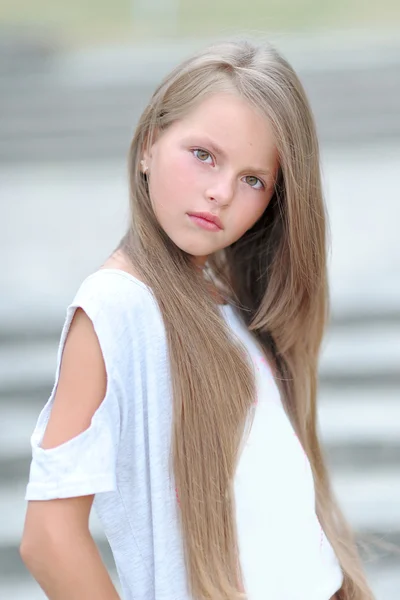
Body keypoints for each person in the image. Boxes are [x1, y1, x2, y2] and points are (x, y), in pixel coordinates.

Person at [20, 39, 374, 600]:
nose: (220, 193)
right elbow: (48, 538)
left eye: (254, 180)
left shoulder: (227, 300)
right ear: (148, 146)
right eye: (204, 154)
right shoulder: (117, 306)